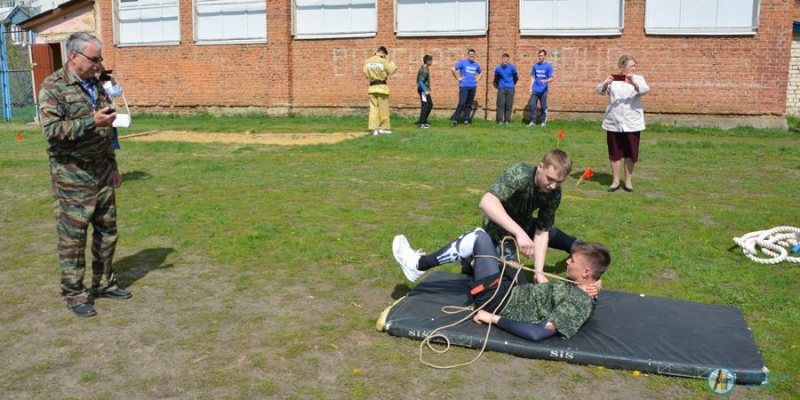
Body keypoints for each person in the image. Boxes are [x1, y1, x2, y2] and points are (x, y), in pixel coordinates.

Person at [39, 32, 130, 318]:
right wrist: (91, 121)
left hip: (102, 170)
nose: (99, 64)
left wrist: (113, 166)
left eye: (100, 58)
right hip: (72, 174)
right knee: (73, 237)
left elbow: (107, 130)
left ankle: (103, 282)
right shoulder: (53, 86)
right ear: (74, 56)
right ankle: (74, 293)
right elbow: (52, 132)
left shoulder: (96, 83)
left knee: (107, 232)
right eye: (95, 58)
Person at [393, 229, 610, 341]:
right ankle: (473, 263)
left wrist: (491, 318)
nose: (568, 261)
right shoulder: (587, 284)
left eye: (572, 260)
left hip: (498, 302)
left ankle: (418, 265)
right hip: (517, 290)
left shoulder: (577, 304)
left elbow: (537, 333)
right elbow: (593, 280)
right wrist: (597, 284)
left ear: (586, 272)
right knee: (499, 244)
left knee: (479, 237)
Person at [597, 55, 650, 192]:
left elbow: (645, 90)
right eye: (631, 66)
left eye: (634, 66)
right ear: (622, 66)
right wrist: (605, 84)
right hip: (614, 121)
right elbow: (599, 90)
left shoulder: (638, 78)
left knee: (630, 152)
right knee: (615, 151)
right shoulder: (613, 78)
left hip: (632, 121)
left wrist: (634, 83)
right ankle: (615, 181)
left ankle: (628, 181)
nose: (634, 68)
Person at [363, 46, 397, 135]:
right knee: (383, 109)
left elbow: (366, 74)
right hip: (382, 87)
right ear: (383, 53)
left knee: (373, 109)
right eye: (385, 55)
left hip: (372, 88)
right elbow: (391, 70)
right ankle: (383, 128)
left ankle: (374, 129)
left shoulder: (368, 61)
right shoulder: (383, 61)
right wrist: (392, 63)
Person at [450, 49, 482, 127]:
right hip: (464, 86)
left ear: (474, 55)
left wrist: (477, 79)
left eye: (473, 54)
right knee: (462, 103)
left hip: (473, 86)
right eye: (470, 54)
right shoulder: (463, 62)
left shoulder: (476, 65)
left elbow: (481, 72)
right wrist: (458, 78)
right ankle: (455, 120)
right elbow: (453, 69)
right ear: (468, 55)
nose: (472, 56)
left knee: (469, 104)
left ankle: (466, 120)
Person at [528, 49, 553, 127]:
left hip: (543, 90)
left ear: (544, 56)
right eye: (539, 55)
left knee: (543, 106)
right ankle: (532, 122)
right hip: (535, 89)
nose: (540, 57)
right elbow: (532, 77)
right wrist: (530, 88)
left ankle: (543, 122)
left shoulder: (548, 66)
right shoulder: (535, 66)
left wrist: (545, 81)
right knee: (532, 105)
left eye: (541, 55)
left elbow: (551, 78)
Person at [493, 53, 518, 126]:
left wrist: (511, 84)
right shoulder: (498, 68)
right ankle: (500, 120)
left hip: (510, 88)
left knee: (509, 104)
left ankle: (507, 121)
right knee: (501, 104)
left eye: (507, 60)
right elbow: (496, 79)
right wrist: (500, 85)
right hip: (501, 88)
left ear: (508, 60)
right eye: (504, 59)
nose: (505, 61)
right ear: (502, 59)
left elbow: (516, 78)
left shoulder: (512, 67)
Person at [416, 54, 433, 129]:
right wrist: (425, 90)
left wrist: (428, 87)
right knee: (426, 105)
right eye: (431, 60)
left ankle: (424, 120)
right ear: (427, 61)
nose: (432, 62)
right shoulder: (424, 70)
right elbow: (420, 82)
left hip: (425, 90)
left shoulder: (425, 67)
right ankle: (421, 123)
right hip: (423, 90)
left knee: (430, 104)